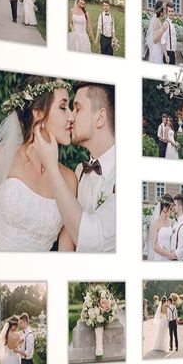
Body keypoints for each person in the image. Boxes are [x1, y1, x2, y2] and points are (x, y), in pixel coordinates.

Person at [0, 76, 77, 252]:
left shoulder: (69, 180)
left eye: (70, 107)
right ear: (38, 114)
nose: (71, 116)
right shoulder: (1, 155)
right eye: (62, 107)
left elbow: (66, 256)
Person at [34, 83, 116, 253]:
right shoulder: (79, 172)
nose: (71, 117)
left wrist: (51, 165)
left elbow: (92, 239)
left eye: (77, 109)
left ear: (100, 118)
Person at [147, 196, 175, 261]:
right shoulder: (156, 223)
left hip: (169, 255)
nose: (172, 211)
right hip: (160, 256)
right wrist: (167, 254)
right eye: (171, 209)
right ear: (165, 208)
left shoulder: (171, 221)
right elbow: (153, 245)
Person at [171, 194, 183, 260]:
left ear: (180, 207)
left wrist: (167, 253)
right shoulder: (176, 223)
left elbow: (181, 252)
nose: (173, 207)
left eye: (175, 205)